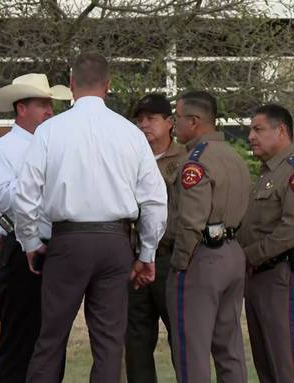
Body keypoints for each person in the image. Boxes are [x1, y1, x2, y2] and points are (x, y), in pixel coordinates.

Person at [14, 52, 168, 383]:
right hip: (115, 243)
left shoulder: (50, 131)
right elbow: (155, 200)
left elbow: (24, 194)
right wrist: (147, 253)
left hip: (68, 241)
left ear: (71, 85)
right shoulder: (130, 134)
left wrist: (28, 240)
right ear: (108, 86)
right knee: (109, 343)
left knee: (51, 339)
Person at [0, 73, 72, 382]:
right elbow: (4, 198)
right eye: (43, 104)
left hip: (56, 246)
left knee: (53, 341)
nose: (50, 111)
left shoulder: (58, 146)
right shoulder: (1, 150)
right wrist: (38, 176)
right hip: (19, 250)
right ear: (22, 108)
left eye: (51, 105)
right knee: (18, 340)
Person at [165, 90, 250, 383]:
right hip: (233, 252)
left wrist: (178, 264)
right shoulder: (235, 157)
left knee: (192, 352)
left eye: (176, 117)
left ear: (194, 120)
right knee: (229, 348)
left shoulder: (195, 162)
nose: (174, 124)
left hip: (201, 257)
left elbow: (191, 221)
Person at [238, 104, 294, 383]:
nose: (250, 136)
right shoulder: (268, 173)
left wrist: (248, 255)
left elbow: (293, 228)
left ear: (281, 131)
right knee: (266, 364)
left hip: (284, 275)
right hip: (259, 276)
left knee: (286, 364)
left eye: (258, 129)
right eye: (251, 129)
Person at [125, 93, 187, 382]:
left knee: (181, 337)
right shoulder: (129, 159)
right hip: (134, 260)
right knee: (136, 340)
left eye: (151, 118)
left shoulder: (185, 160)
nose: (144, 125)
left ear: (170, 122)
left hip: (169, 259)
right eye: (140, 120)